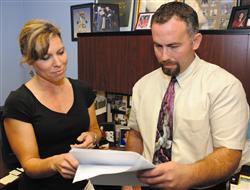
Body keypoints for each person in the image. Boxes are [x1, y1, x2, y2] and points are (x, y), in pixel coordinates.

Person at [126, 2, 249, 190]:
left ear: (196, 41)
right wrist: (129, 182)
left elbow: (229, 154)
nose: (164, 56)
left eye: (173, 46)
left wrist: (189, 174)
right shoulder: (142, 86)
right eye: (158, 46)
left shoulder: (225, 86)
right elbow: (135, 134)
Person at [2, 19, 102, 190]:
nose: (58, 63)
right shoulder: (19, 103)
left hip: (82, 184)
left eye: (61, 52)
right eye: (46, 57)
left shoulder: (82, 89)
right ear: (30, 61)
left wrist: (92, 137)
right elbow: (30, 164)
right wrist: (54, 163)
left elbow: (95, 130)